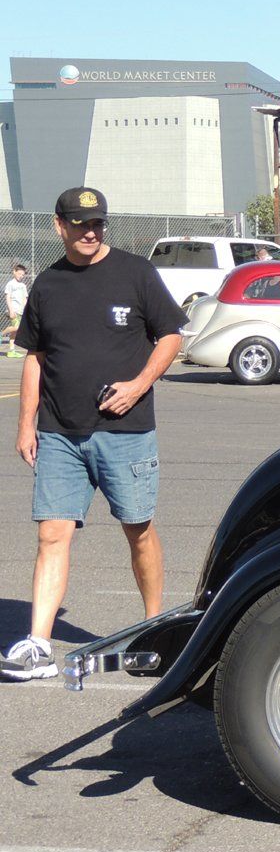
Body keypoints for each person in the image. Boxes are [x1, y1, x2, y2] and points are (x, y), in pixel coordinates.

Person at [1, 188, 187, 681]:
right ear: (59, 225)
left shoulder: (136, 273)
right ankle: (39, 644)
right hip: (59, 433)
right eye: (81, 223)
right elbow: (35, 358)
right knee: (52, 534)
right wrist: (25, 425)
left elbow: (171, 334)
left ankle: (155, 630)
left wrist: (139, 385)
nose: (90, 231)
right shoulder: (47, 285)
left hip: (124, 431)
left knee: (139, 529)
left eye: (98, 223)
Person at [5, 263, 28, 356]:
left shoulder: (23, 285)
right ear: (14, 271)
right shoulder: (10, 284)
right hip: (13, 310)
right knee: (17, 328)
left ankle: (11, 351)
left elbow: (25, 298)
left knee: (14, 332)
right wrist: (11, 310)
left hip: (21, 311)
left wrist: (27, 309)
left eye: (23, 275)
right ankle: (1, 334)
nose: (21, 276)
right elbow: (8, 297)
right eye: (19, 274)